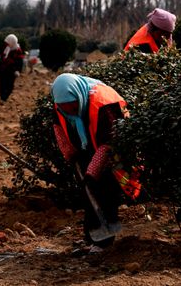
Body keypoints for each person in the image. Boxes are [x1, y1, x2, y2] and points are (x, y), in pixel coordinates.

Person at [51, 73, 130, 253]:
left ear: (79, 97)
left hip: (112, 149)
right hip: (88, 143)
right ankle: (93, 238)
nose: (69, 112)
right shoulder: (60, 103)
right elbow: (58, 126)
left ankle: (105, 241)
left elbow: (108, 143)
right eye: (65, 109)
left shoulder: (104, 105)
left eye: (73, 107)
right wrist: (69, 153)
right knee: (88, 193)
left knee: (105, 189)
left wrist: (92, 173)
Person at [0, 34, 25, 103]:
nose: (6, 44)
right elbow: (3, 57)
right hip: (3, 70)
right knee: (2, 84)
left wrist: (18, 70)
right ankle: (2, 98)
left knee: (9, 85)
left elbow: (20, 61)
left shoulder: (17, 50)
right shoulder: (6, 48)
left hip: (12, 71)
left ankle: (5, 98)